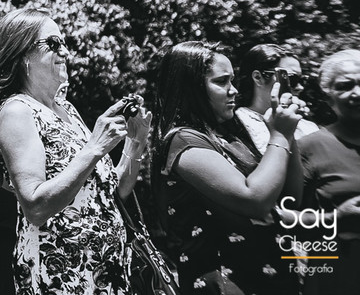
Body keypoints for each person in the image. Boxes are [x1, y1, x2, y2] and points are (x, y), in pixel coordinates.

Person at [0, 8, 147, 295]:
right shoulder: (16, 111)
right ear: (22, 55)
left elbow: (114, 191)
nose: (66, 52)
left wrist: (135, 143)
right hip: (61, 276)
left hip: (104, 273)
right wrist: (94, 147)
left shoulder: (67, 110)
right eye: (54, 44)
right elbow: (35, 206)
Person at [151, 40, 303, 294]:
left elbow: (288, 199)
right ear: (192, 88)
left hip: (272, 281)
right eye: (221, 82)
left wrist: (288, 135)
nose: (233, 90)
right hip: (225, 285)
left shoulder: (231, 135)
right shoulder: (184, 141)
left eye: (232, 80)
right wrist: (278, 136)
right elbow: (253, 200)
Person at [299, 49, 360, 295]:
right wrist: (336, 217)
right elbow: (281, 219)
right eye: (346, 86)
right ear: (328, 95)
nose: (357, 93)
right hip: (337, 276)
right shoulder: (310, 147)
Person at [236, 44, 320, 152]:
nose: (300, 87)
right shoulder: (237, 124)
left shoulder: (309, 126)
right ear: (258, 78)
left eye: (302, 79)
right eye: (291, 79)